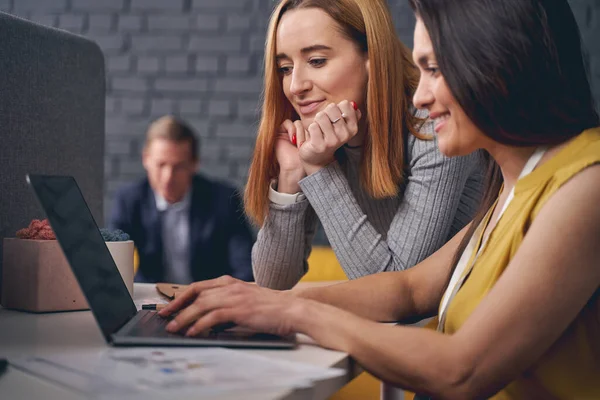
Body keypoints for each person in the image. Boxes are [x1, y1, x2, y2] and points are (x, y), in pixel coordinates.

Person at [159, 0, 600, 398]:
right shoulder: (512, 187)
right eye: (285, 67)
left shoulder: (585, 185)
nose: (423, 95)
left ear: (496, 60)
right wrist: (259, 300)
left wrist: (295, 314)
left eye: (434, 69)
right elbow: (408, 290)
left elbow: (462, 370)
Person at [246, 0, 485, 289]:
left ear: (373, 59)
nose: (295, 86)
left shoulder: (432, 127)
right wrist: (291, 175)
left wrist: (321, 170)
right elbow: (272, 282)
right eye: (285, 68)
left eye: (317, 61)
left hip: (473, 320)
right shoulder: (319, 140)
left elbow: (391, 288)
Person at [110, 116, 254, 284]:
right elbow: (114, 264)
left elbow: (244, 268)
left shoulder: (224, 200)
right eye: (161, 164)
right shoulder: (128, 200)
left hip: (208, 299)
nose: (168, 177)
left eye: (178, 167)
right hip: (150, 299)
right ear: (146, 159)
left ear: (194, 164)